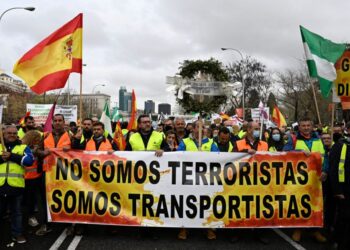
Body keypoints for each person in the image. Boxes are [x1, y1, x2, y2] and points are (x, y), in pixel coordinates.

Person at [177, 120, 219, 240]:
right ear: (193, 129)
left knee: (207, 203)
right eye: (199, 127)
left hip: (205, 178)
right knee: (186, 203)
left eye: (204, 127)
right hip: (188, 178)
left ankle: (209, 228)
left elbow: (218, 157)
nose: (202, 129)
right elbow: (178, 156)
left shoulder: (211, 143)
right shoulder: (184, 142)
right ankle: (184, 228)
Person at [291, 117, 327, 243]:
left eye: (308, 125)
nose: (306, 127)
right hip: (299, 179)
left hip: (316, 179)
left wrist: (325, 171)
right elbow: (284, 153)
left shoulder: (319, 140)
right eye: (303, 125)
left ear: (312, 127)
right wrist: (299, 151)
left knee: (316, 205)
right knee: (300, 204)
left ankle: (315, 231)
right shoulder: (293, 139)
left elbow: (325, 157)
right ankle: (298, 229)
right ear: (299, 127)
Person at [233, 121, 269, 244]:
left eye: (259, 128)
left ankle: (260, 233)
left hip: (259, 180)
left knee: (259, 206)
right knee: (241, 205)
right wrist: (243, 152)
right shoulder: (238, 143)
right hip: (243, 180)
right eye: (256, 128)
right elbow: (231, 158)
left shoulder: (264, 144)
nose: (258, 130)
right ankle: (238, 232)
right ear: (248, 130)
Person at [0, 125, 34, 244]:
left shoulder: (23, 147)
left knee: (17, 213)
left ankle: (17, 234)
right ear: (4, 134)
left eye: (14, 133)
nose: (12, 135)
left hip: (16, 186)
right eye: (9, 133)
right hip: (0, 186)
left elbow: (29, 161)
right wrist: (1, 158)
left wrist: (12, 156)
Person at [22, 130, 52, 236]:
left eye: (39, 139)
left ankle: (35, 218)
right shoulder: (24, 148)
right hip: (28, 179)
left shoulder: (37, 148)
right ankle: (29, 218)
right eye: (36, 139)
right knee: (29, 201)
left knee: (37, 201)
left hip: (37, 178)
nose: (38, 141)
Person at [330, 134, 350, 250]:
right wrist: (337, 190)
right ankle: (339, 242)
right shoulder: (340, 146)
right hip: (344, 189)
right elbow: (333, 168)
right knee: (344, 218)